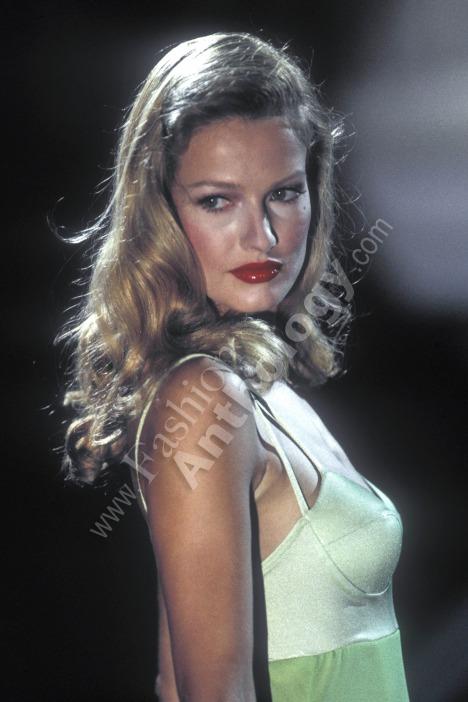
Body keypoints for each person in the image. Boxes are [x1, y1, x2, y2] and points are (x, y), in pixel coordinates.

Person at [58, 32, 410, 702]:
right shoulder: (204, 400)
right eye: (218, 200)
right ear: (161, 213)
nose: (263, 236)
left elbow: (172, 682)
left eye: (283, 193)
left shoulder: (260, 387)